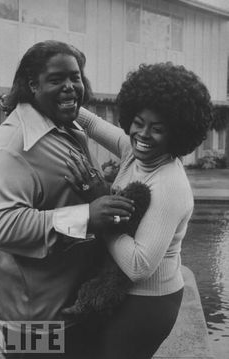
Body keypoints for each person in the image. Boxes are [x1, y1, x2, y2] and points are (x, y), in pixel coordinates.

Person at [0, 40, 135, 359]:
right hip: (34, 324)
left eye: (76, 77)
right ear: (32, 85)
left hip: (74, 313)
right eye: (57, 79)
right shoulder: (12, 146)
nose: (70, 87)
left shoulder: (63, 126)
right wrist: (85, 217)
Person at [66, 62, 213, 359]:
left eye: (157, 129)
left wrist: (99, 212)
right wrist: (54, 102)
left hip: (147, 305)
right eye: (138, 122)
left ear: (177, 133)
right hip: (117, 294)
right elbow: (92, 124)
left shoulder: (169, 184)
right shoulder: (131, 151)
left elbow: (138, 265)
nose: (143, 134)